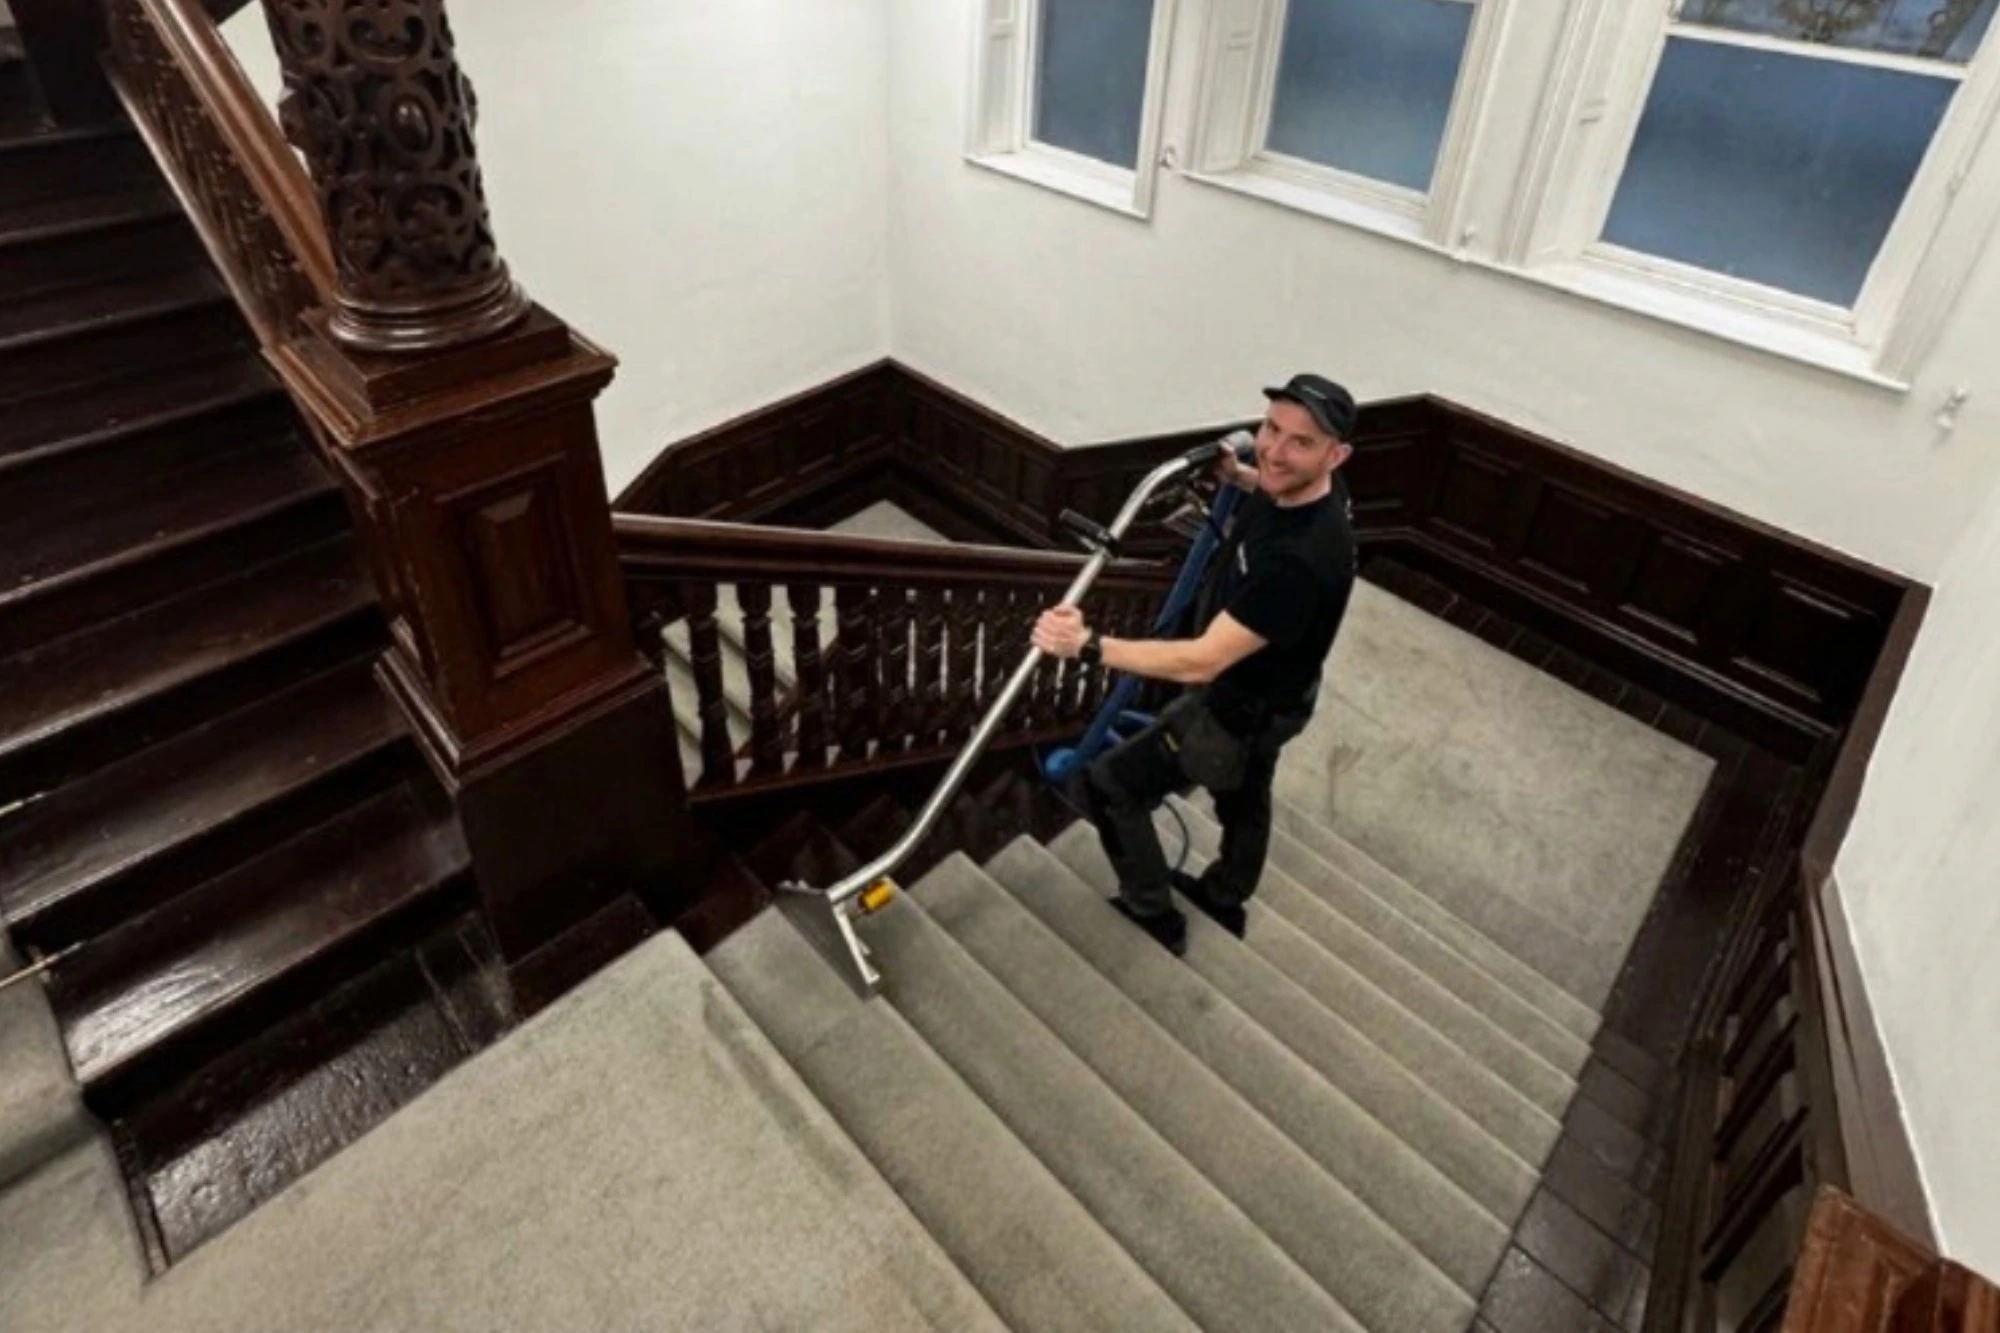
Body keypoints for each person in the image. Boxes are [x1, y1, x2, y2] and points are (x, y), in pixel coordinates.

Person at [1031, 373, 1360, 956]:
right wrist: (1241, 477)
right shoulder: (1309, 492)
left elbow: (1201, 661)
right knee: (1247, 794)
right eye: (1271, 429)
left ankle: (1152, 911)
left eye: (1300, 442)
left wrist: (1087, 644)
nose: (1275, 451)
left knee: (1111, 785)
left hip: (1237, 706)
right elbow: (1276, 484)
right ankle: (1225, 895)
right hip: (1284, 696)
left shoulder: (1300, 561)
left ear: (1336, 454)